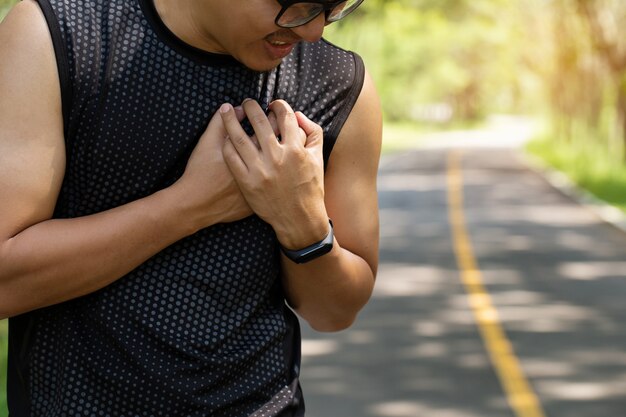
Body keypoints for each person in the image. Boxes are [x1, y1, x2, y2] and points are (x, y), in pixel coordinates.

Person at [0, 0, 382, 415]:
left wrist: (302, 222)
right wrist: (190, 206)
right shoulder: (61, 35)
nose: (312, 31)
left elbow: (335, 313)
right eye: (297, 4)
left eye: (335, 6)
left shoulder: (340, 84)